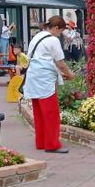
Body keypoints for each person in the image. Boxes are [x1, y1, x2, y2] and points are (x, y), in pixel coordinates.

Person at [22, 15, 74, 153]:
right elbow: (60, 63)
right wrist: (70, 74)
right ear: (56, 28)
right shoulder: (53, 40)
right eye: (60, 31)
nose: (60, 34)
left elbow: (36, 58)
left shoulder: (37, 37)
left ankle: (41, 142)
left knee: (39, 112)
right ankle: (51, 144)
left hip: (33, 78)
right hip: (45, 80)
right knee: (51, 113)